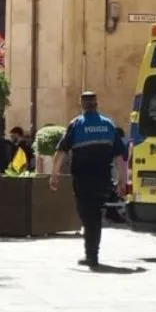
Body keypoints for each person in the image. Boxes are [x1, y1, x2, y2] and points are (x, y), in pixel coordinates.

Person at [49, 91, 127, 268]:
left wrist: (54, 175)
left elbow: (61, 151)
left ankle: (92, 256)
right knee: (94, 216)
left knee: (88, 216)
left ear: (81, 104)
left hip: (83, 179)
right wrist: (122, 181)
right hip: (102, 178)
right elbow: (119, 157)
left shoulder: (76, 124)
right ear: (96, 103)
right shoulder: (108, 125)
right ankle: (91, 254)